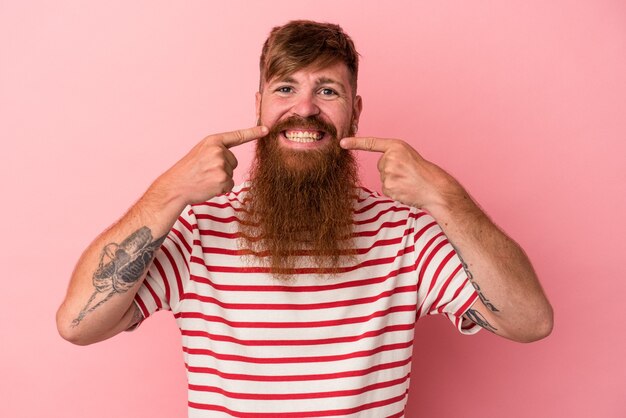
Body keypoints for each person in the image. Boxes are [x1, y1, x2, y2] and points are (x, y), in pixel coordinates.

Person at [57, 20, 553, 417]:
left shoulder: (405, 235)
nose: (305, 109)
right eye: (286, 88)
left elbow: (529, 321)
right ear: (259, 106)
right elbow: (79, 325)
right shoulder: (197, 232)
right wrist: (168, 193)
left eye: (329, 92)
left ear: (355, 112)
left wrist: (445, 197)